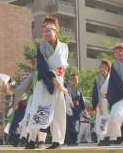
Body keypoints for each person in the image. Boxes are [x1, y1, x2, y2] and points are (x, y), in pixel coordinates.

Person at [26, 16, 69, 149]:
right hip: (44, 80)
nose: (46, 33)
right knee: (38, 109)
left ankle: (57, 141)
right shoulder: (41, 47)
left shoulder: (64, 47)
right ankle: (32, 139)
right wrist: (52, 77)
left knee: (58, 111)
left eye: (49, 29)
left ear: (56, 31)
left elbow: (64, 66)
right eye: (44, 30)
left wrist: (61, 82)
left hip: (59, 82)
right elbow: (42, 66)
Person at [92, 59, 111, 146]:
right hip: (101, 101)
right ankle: (101, 139)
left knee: (108, 120)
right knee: (100, 120)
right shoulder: (97, 79)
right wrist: (98, 103)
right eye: (100, 67)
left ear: (107, 67)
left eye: (102, 67)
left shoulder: (111, 78)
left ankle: (107, 138)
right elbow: (96, 92)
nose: (101, 68)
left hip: (109, 102)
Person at [65, 73, 85, 146]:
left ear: (78, 80)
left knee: (77, 125)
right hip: (70, 107)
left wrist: (83, 109)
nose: (74, 80)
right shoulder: (68, 88)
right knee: (70, 125)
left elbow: (81, 100)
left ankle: (75, 140)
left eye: (76, 79)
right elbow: (68, 96)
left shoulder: (79, 89)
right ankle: (69, 141)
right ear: (71, 80)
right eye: (73, 79)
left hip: (77, 108)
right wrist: (70, 105)